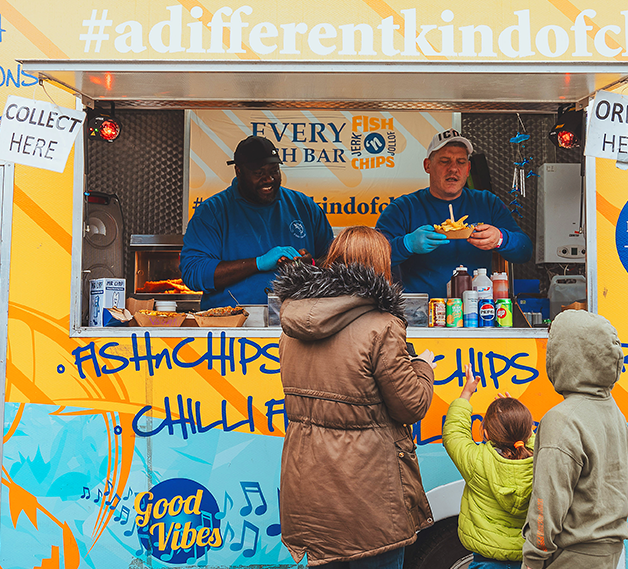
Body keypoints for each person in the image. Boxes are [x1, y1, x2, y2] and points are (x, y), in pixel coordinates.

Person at [272, 226, 437, 568]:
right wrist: (423, 366)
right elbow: (411, 405)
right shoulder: (383, 326)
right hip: (367, 493)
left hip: (308, 485)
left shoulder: (293, 323)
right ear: (380, 268)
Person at [522, 310, 628, 569]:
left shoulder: (562, 419)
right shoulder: (614, 411)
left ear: (566, 355)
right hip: (609, 553)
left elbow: (546, 504)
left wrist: (532, 560)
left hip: (572, 556)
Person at [375, 128, 532, 299]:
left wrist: (501, 238)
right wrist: (406, 244)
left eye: (461, 162)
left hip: (476, 312)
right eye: (444, 161)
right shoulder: (403, 208)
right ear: (427, 165)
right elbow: (370, 259)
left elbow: (525, 251)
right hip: (419, 313)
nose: (453, 169)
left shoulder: (488, 203)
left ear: (468, 168)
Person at [180, 135, 334, 309]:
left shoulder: (304, 207)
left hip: (301, 322)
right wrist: (257, 263)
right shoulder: (212, 213)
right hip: (231, 326)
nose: (268, 179)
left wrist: (311, 265)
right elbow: (194, 272)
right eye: (259, 173)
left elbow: (336, 263)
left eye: (274, 170)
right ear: (239, 171)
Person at [443, 364, 534, 569]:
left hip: (487, 561)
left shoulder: (477, 462)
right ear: (528, 433)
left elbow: (454, 433)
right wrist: (515, 416)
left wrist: (467, 392)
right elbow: (529, 439)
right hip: (528, 559)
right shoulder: (540, 461)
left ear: (485, 432)